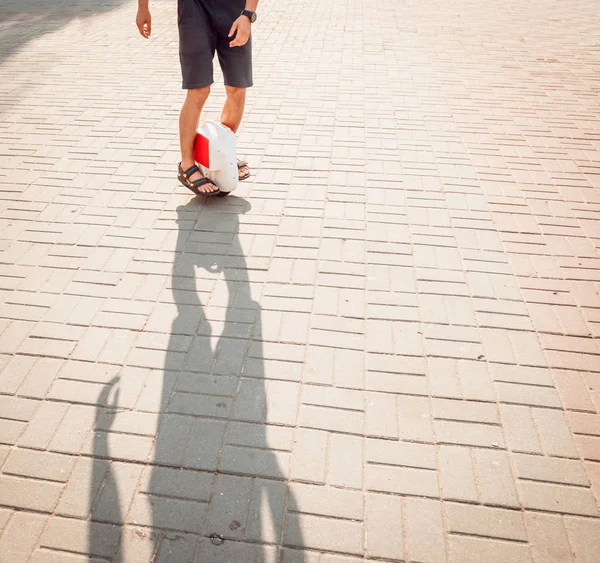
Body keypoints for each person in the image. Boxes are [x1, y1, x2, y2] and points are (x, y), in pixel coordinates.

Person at [136, 0, 258, 196]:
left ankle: (223, 150)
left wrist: (248, 14)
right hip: (194, 11)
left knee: (237, 87)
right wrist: (143, 7)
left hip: (235, 11)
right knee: (198, 89)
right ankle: (187, 164)